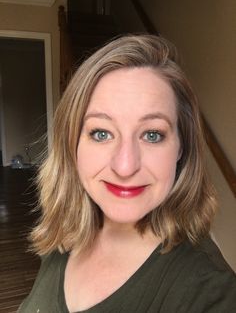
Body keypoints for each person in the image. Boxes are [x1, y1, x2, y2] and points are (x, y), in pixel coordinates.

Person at [18, 34, 236, 313]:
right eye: (101, 133)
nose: (125, 166)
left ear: (182, 147)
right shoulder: (66, 231)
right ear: (72, 144)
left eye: (152, 135)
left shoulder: (209, 291)